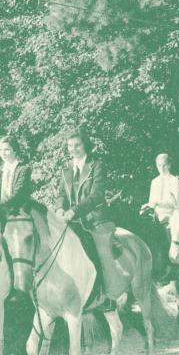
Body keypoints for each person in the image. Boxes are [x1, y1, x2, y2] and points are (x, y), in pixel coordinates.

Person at [55, 129, 117, 303]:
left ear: (85, 145)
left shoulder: (97, 165)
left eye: (77, 145)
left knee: (99, 252)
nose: (73, 149)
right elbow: (61, 194)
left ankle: (104, 295)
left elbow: (96, 195)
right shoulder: (66, 168)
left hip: (95, 218)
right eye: (69, 146)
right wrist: (59, 208)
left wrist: (74, 210)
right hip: (70, 219)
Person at [141, 153, 179, 225]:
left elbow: (175, 203)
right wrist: (147, 206)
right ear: (156, 166)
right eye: (159, 165)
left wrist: (157, 202)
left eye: (164, 165)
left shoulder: (174, 181)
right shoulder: (154, 182)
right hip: (156, 217)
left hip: (170, 216)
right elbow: (151, 202)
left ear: (169, 165)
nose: (161, 168)